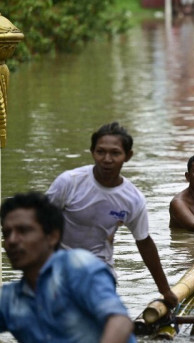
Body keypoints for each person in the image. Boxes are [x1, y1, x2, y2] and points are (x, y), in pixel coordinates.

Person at [46, 122, 178, 308]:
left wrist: (165, 290)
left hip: (99, 270)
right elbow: (38, 222)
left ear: (127, 156)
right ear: (92, 152)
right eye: (101, 152)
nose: (107, 159)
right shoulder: (69, 182)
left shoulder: (133, 199)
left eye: (115, 153)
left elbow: (144, 242)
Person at [0, 192, 135, 343]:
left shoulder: (76, 266)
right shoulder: (10, 300)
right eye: (6, 233)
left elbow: (120, 321)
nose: (11, 241)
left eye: (23, 231)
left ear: (52, 237)